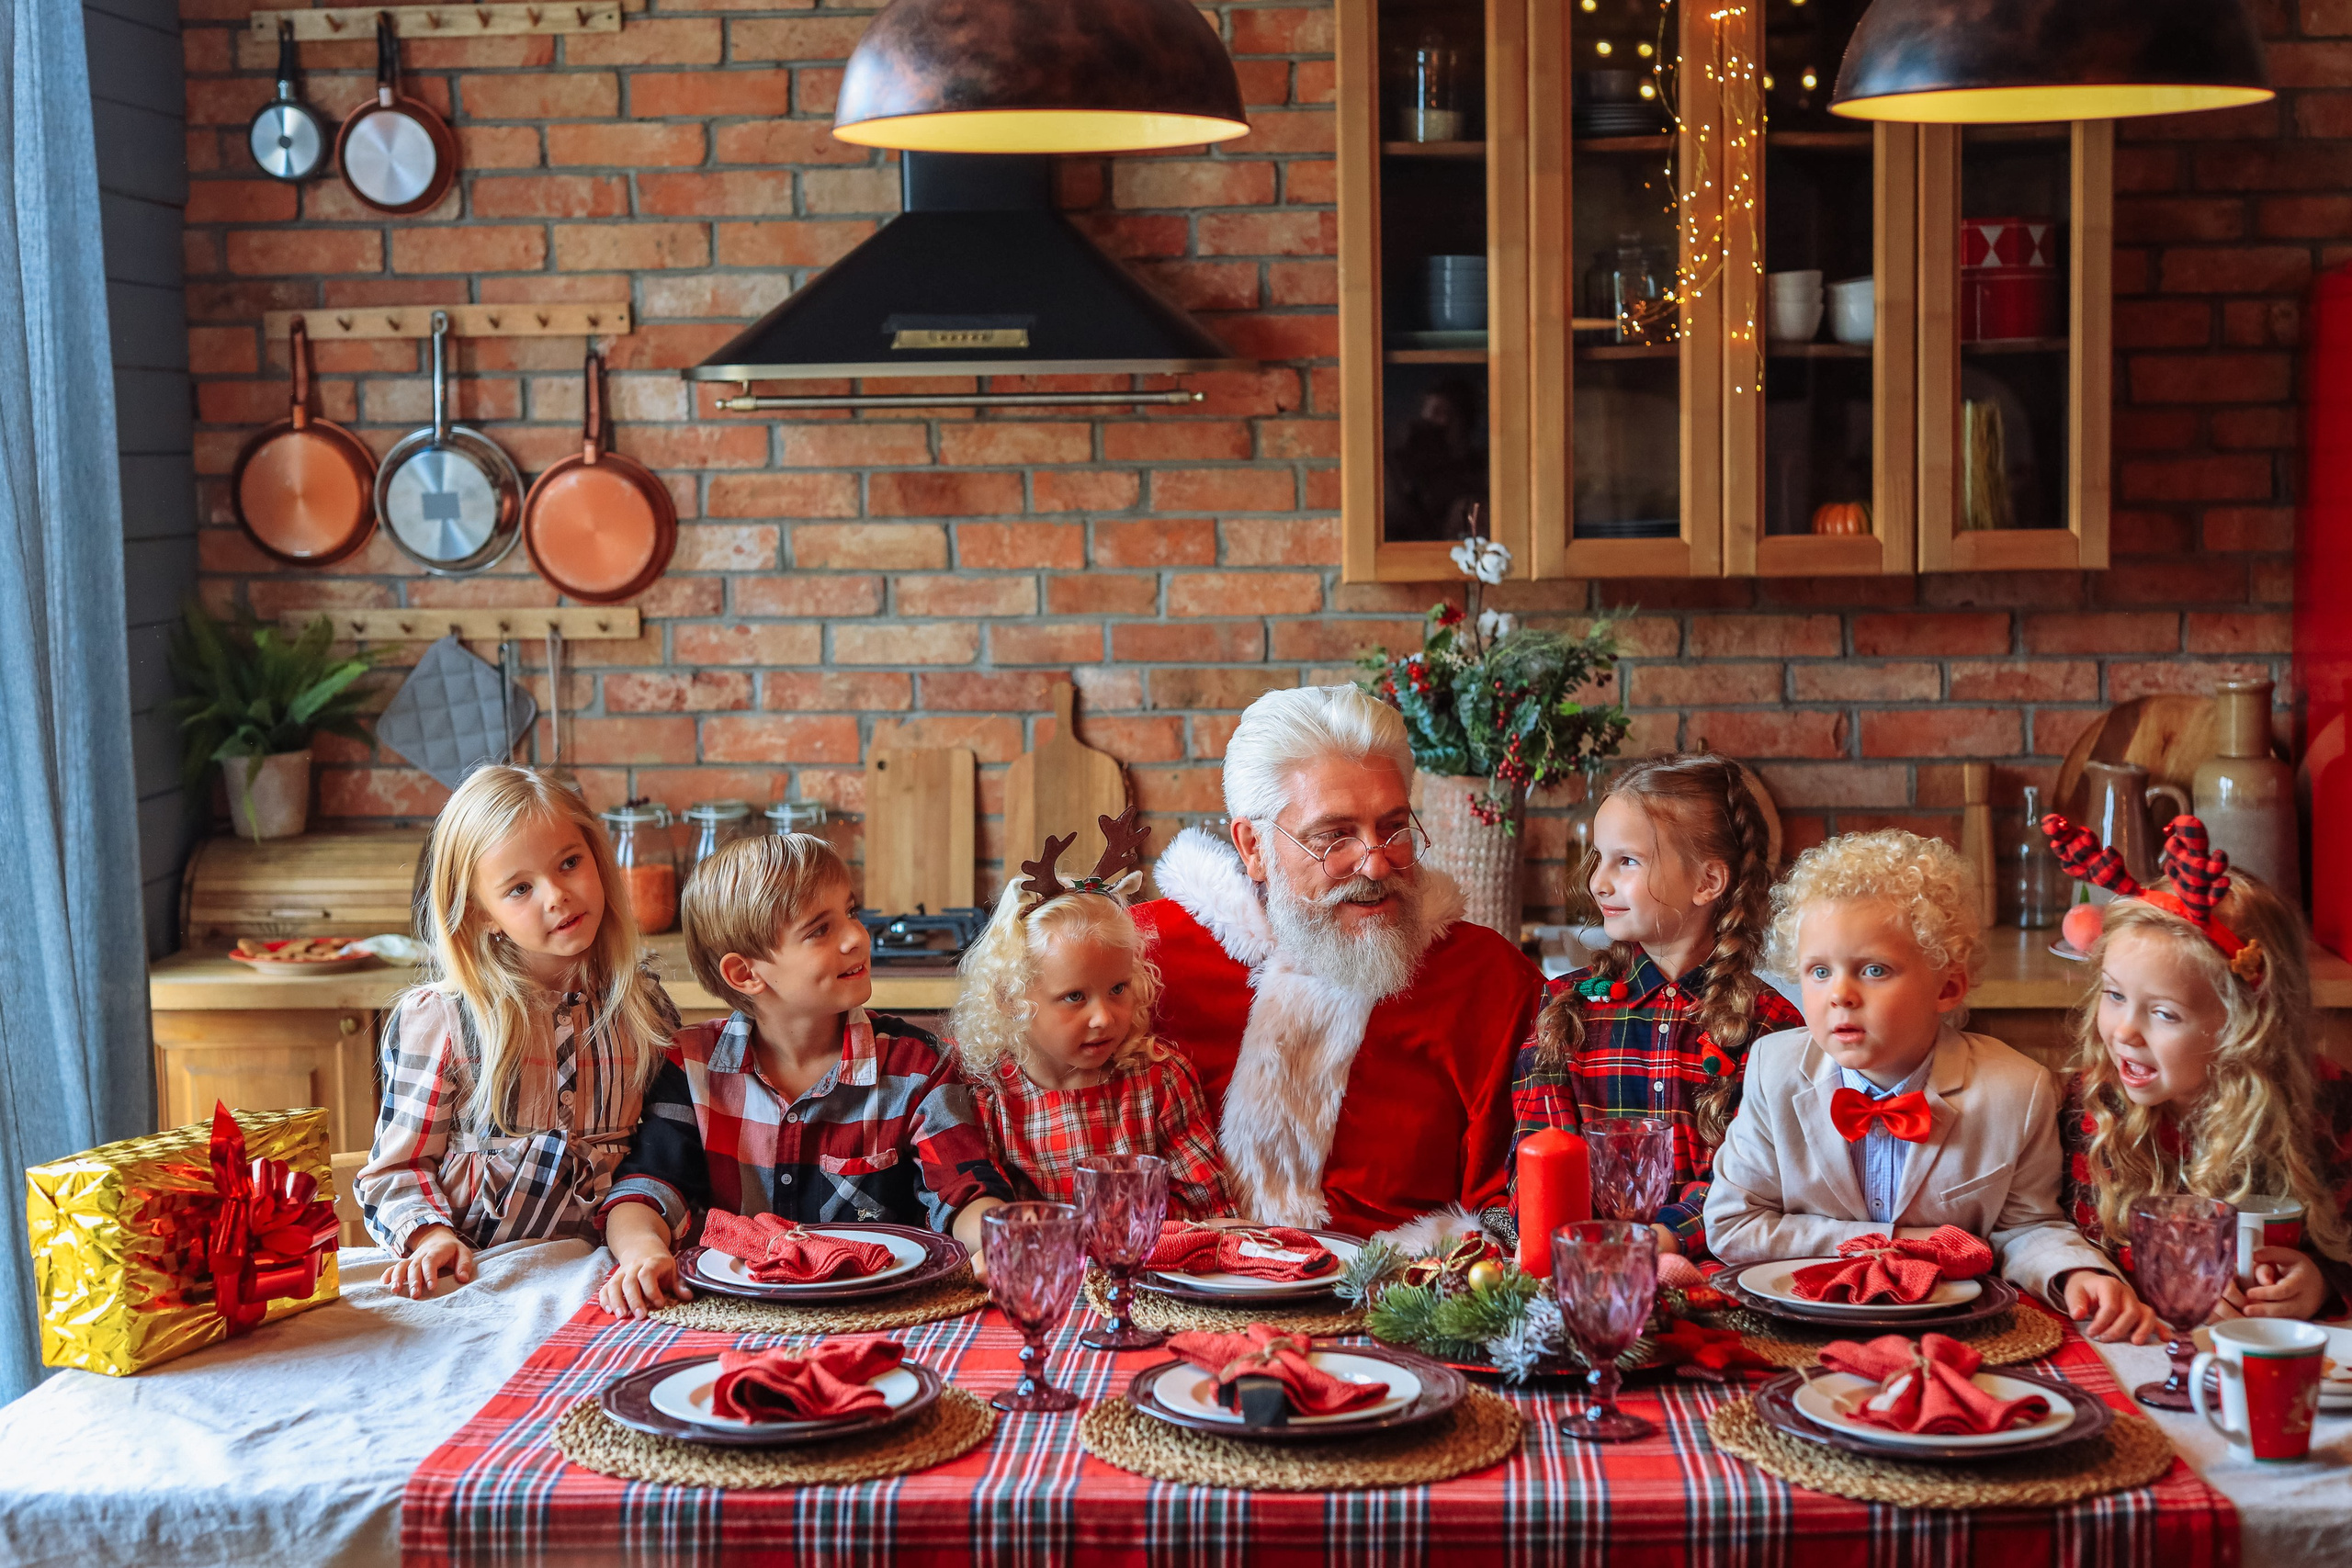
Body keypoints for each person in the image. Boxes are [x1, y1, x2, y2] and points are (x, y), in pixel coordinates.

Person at [1133, 683, 1547, 1238]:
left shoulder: (1487, 979)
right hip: (1176, 1290)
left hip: (1403, 1303)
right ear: (1253, 847)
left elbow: (1521, 1195)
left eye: (1394, 828)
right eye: (1334, 837)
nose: (1376, 865)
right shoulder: (1141, 961)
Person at [1704, 829, 2147, 1340]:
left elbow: (2027, 1228)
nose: (1840, 995)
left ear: (1948, 986)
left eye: (1874, 969)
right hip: (1802, 1318)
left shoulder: (2017, 1091)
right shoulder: (1773, 1069)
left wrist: (2077, 1274)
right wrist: (1901, 1241)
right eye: (1819, 971)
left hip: (1953, 1330)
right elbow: (1733, 1225)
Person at [594, 831, 1013, 1317]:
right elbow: (646, 1188)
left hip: (876, 1312)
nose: (858, 936)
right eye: (820, 930)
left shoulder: (917, 1065)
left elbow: (964, 1189)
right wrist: (643, 1251)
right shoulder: (690, 1067)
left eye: (851, 912)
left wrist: (998, 1240)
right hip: (729, 1314)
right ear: (745, 974)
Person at [356, 764, 677, 1299]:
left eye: (570, 863)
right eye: (520, 888)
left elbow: (662, 1160)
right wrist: (431, 1237)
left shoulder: (644, 1009)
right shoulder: (446, 1019)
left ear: (599, 861)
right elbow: (397, 1170)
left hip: (606, 1282)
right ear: (482, 914)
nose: (556, 896)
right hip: (474, 1281)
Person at [2048, 812, 2352, 1321]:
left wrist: (2323, 1283)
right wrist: (2090, 1277)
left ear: (2248, 1024)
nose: (2123, 1032)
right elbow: (2045, 1234)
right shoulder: (2091, 1107)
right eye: (2114, 995)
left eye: (2164, 1013)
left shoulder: (2330, 1107)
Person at [1510, 754, 1802, 1264]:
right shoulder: (1566, 1008)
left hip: (1721, 1280)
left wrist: (1663, 1241)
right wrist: (1579, 1243)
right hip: (1581, 1270)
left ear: (1707, 882)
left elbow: (1759, 1181)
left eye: (1628, 861)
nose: (1599, 881)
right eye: (1599, 858)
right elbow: (1535, 1158)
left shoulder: (1771, 1026)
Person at [950, 811, 1233, 1219]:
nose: (1103, 1017)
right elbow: (981, 1213)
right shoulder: (988, 1094)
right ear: (1011, 1000)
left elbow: (1210, 1211)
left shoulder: (1160, 1078)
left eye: (1118, 989)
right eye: (1074, 997)